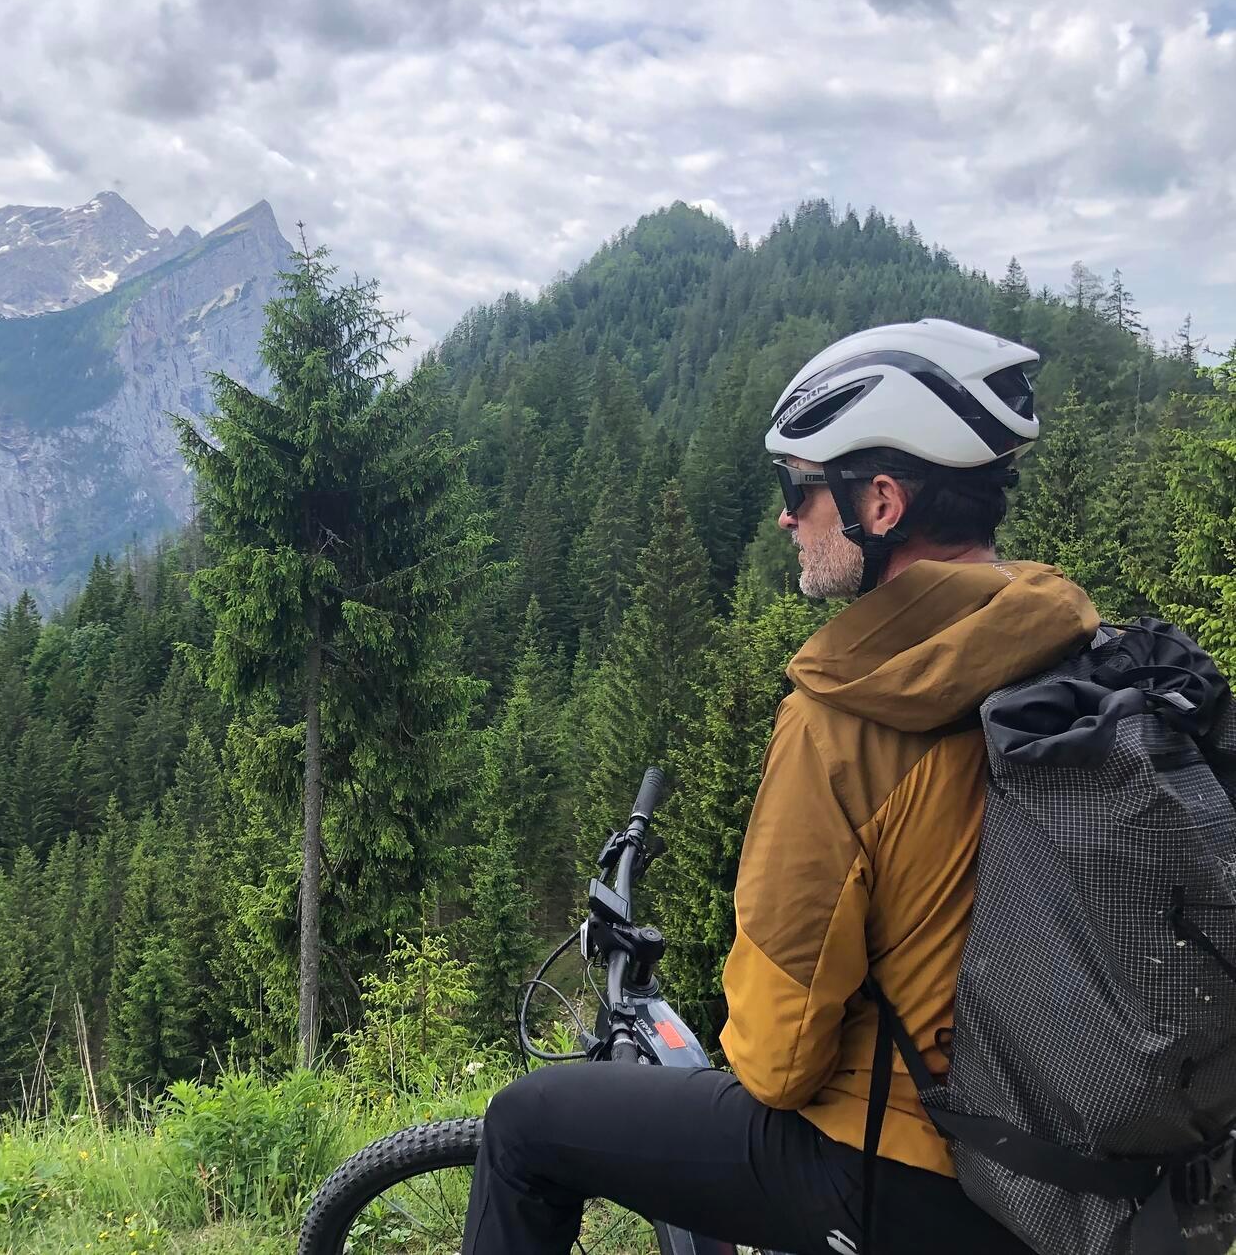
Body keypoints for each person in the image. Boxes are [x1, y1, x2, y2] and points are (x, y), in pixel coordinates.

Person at [459, 320, 1102, 1255]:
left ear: (879, 502)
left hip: (911, 1178)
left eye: (799, 490)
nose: (783, 518)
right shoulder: (1074, 648)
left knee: (525, 1125)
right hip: (1077, 1162)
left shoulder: (846, 716)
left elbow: (777, 1056)